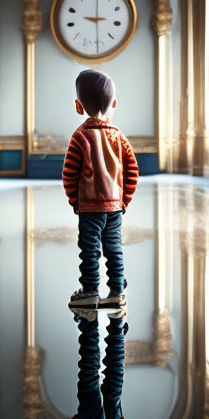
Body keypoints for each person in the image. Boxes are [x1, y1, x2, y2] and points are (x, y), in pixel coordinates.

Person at [62, 69, 138, 311]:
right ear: (114, 104)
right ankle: (117, 292)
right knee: (114, 248)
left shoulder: (79, 137)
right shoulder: (120, 138)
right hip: (115, 207)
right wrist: (124, 200)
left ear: (78, 106)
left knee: (89, 250)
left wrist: (74, 200)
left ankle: (91, 291)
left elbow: (69, 174)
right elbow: (132, 170)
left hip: (89, 207)